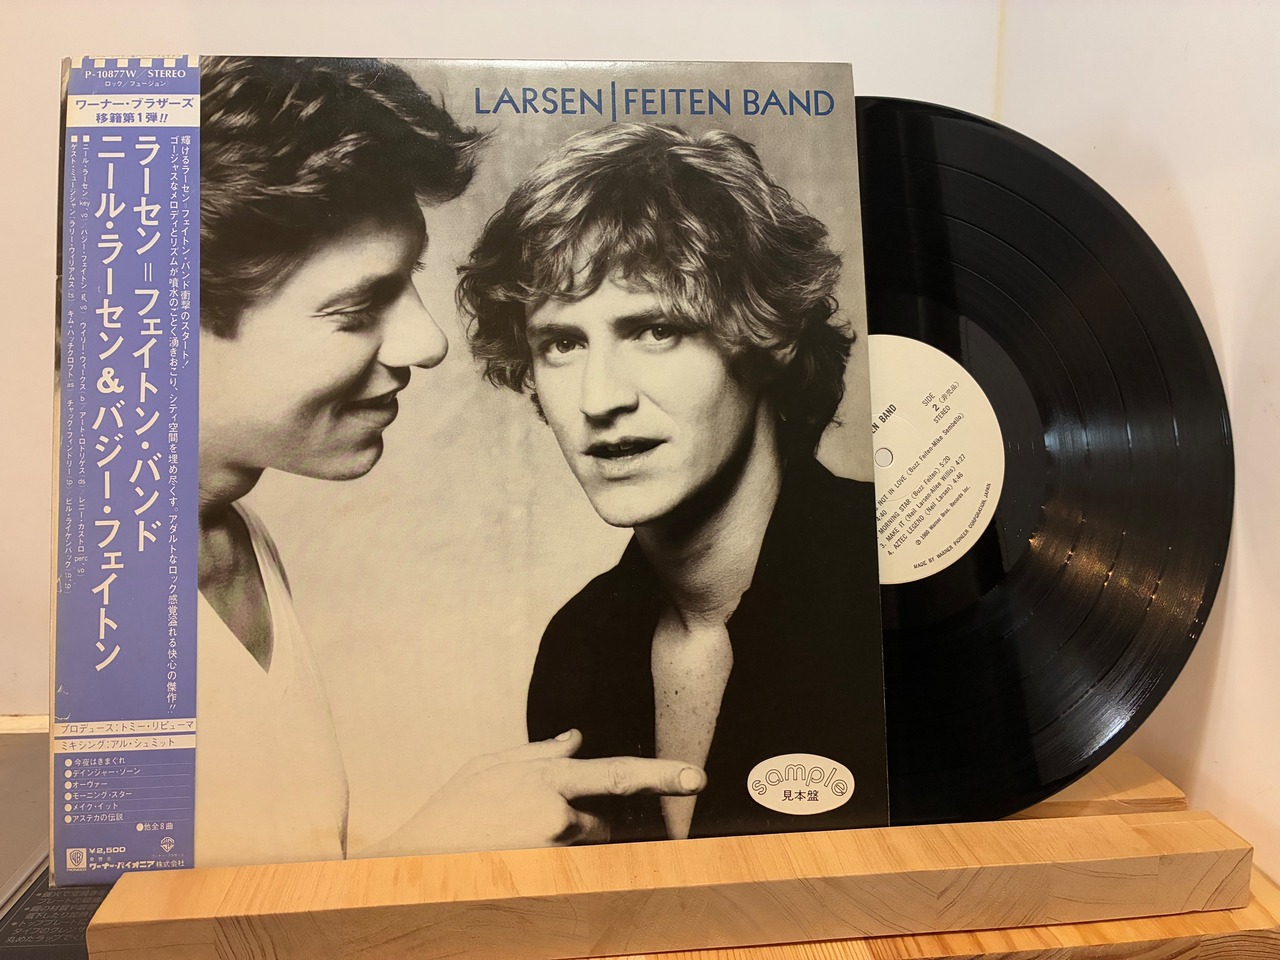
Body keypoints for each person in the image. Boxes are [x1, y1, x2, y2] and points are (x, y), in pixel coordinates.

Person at [196, 59, 704, 867]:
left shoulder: (238, 539)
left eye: (410, 282)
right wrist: (417, 858)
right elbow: (129, 919)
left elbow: (267, 867)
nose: (428, 343)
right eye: (357, 308)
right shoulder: (76, 583)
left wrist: (466, 827)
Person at [459, 123, 889, 843]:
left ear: (770, 334)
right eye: (562, 344)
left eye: (655, 330)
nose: (600, 398)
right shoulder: (578, 648)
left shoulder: (894, 578)